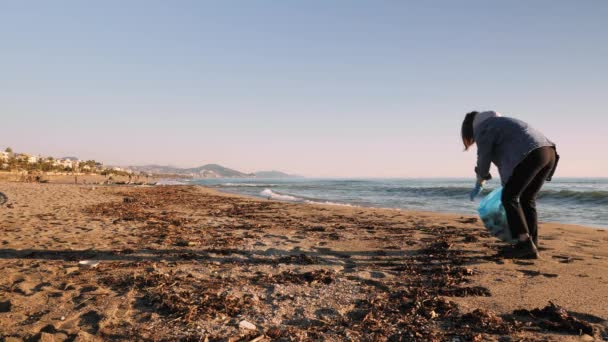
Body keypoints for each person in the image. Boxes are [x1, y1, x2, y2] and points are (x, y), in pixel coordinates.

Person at [461, 111, 559, 259]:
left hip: (532, 154)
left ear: (470, 129)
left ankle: (525, 243)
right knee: (527, 199)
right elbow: (508, 165)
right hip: (548, 153)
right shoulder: (503, 124)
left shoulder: (484, 128)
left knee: (509, 197)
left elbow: (484, 158)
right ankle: (531, 244)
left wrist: (479, 181)